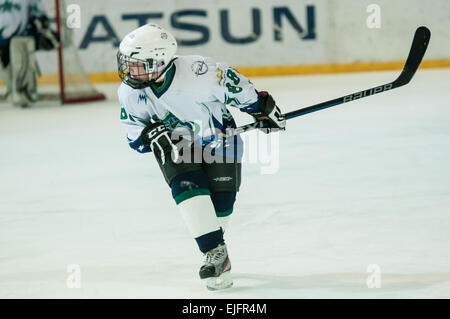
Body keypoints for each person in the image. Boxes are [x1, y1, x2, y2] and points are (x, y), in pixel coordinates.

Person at [117, 23, 286, 290]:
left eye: (137, 64)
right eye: (128, 62)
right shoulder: (130, 92)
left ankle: (215, 248)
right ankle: (215, 255)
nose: (129, 70)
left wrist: (261, 108)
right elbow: (133, 135)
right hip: (178, 146)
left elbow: (237, 86)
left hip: (221, 141)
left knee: (220, 209)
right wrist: (149, 135)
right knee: (183, 176)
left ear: (159, 61)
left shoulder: (200, 73)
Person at [0, 0, 58, 107]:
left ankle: (25, 92)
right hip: (2, 37)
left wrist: (43, 21)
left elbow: (37, 8)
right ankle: (13, 89)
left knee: (22, 65)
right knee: (4, 67)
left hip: (21, 34)